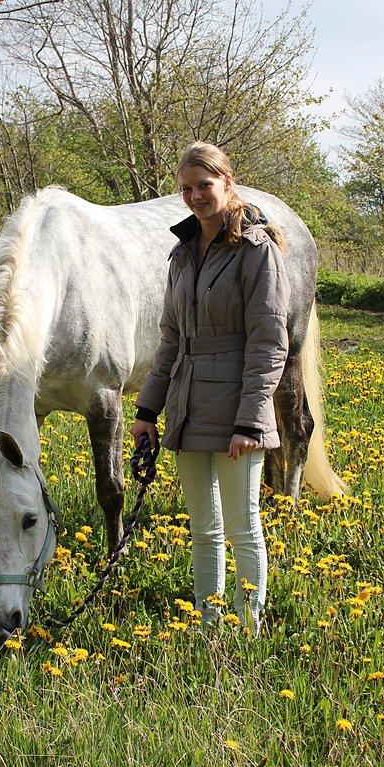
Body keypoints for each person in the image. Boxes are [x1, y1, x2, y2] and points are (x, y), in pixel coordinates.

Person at [130, 142, 290, 636]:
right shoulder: (181, 254)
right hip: (187, 404)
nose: (196, 195)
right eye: (187, 188)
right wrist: (147, 410)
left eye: (205, 185)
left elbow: (269, 342)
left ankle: (249, 626)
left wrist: (250, 419)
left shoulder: (256, 250)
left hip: (237, 407)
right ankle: (208, 621)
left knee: (243, 527)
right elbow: (171, 341)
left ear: (226, 182)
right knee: (203, 530)